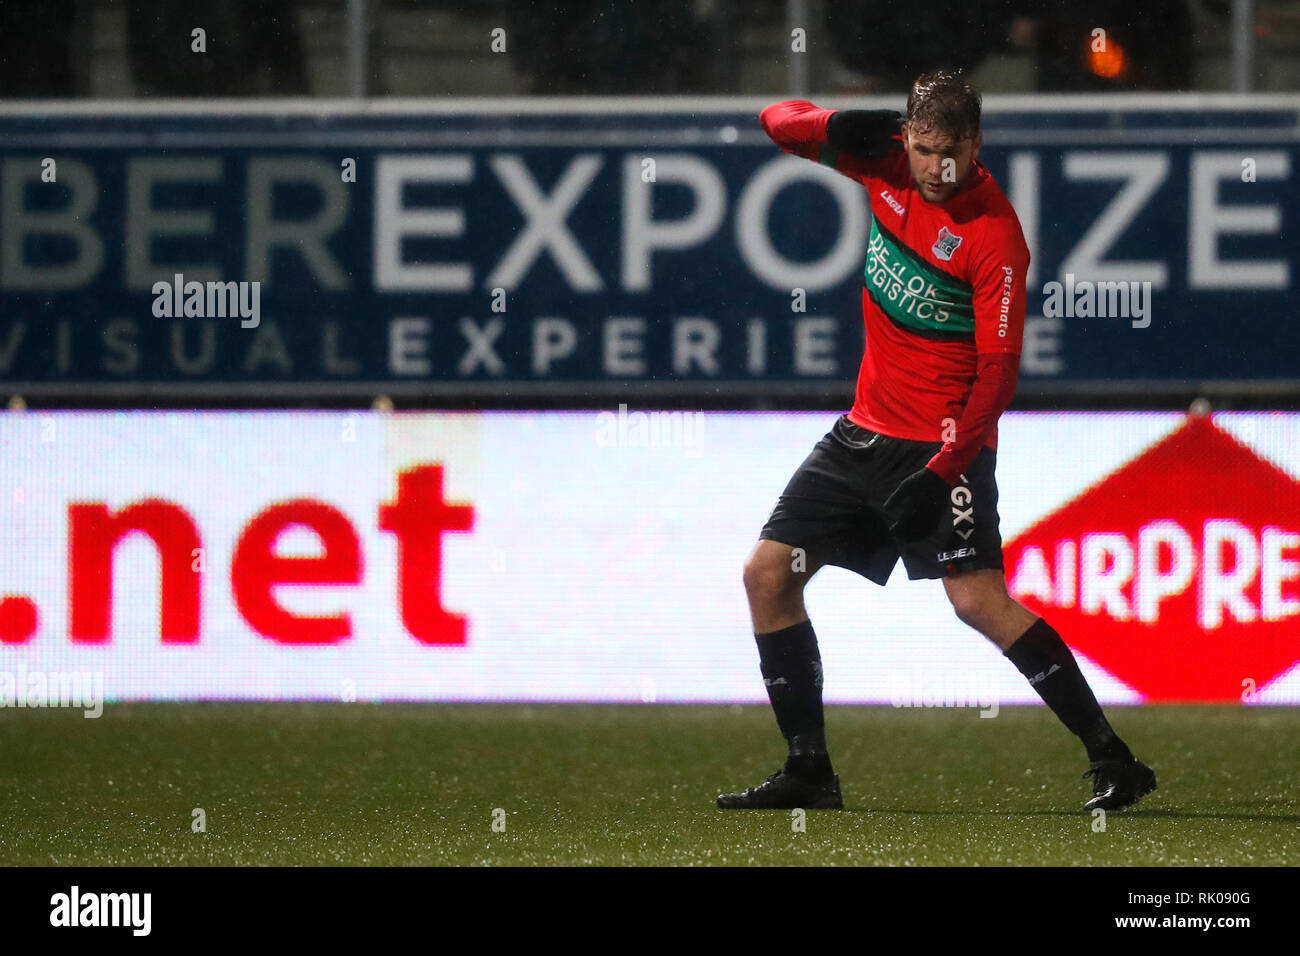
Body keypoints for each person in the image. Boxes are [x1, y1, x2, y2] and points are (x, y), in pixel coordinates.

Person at [718, 71, 1156, 812]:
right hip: (860, 437)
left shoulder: (994, 238)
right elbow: (774, 119)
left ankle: (1115, 759)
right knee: (768, 575)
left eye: (951, 152)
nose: (937, 168)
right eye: (924, 150)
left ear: (976, 145)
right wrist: (838, 123)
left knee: (978, 600)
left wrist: (946, 468)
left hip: (941, 447)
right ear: (906, 140)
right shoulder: (882, 161)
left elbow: (998, 377)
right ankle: (810, 772)